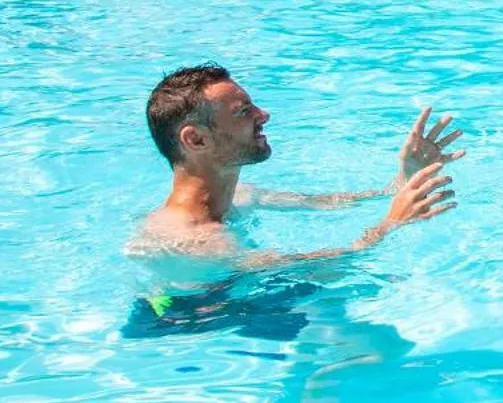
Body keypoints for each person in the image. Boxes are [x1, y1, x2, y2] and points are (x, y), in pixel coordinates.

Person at [129, 65, 463, 271]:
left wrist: (401, 181)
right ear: (197, 140)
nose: (263, 115)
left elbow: (327, 203)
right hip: (195, 321)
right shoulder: (190, 239)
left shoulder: (242, 196)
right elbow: (321, 269)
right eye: (243, 111)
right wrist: (389, 225)